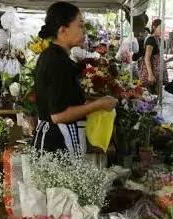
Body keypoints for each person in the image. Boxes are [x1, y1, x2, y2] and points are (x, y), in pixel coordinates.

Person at [33, 1, 117, 154]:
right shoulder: (56, 61)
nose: (84, 31)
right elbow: (58, 115)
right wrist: (98, 104)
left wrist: (93, 101)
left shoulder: (57, 57)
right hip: (57, 144)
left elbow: (65, 99)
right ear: (63, 30)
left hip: (57, 140)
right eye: (80, 25)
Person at [140, 19, 167, 94]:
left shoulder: (160, 40)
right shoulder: (150, 40)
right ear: (154, 27)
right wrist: (150, 74)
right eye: (161, 27)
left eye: (164, 28)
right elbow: (147, 58)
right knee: (151, 96)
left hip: (158, 75)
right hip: (151, 75)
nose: (163, 30)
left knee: (157, 95)